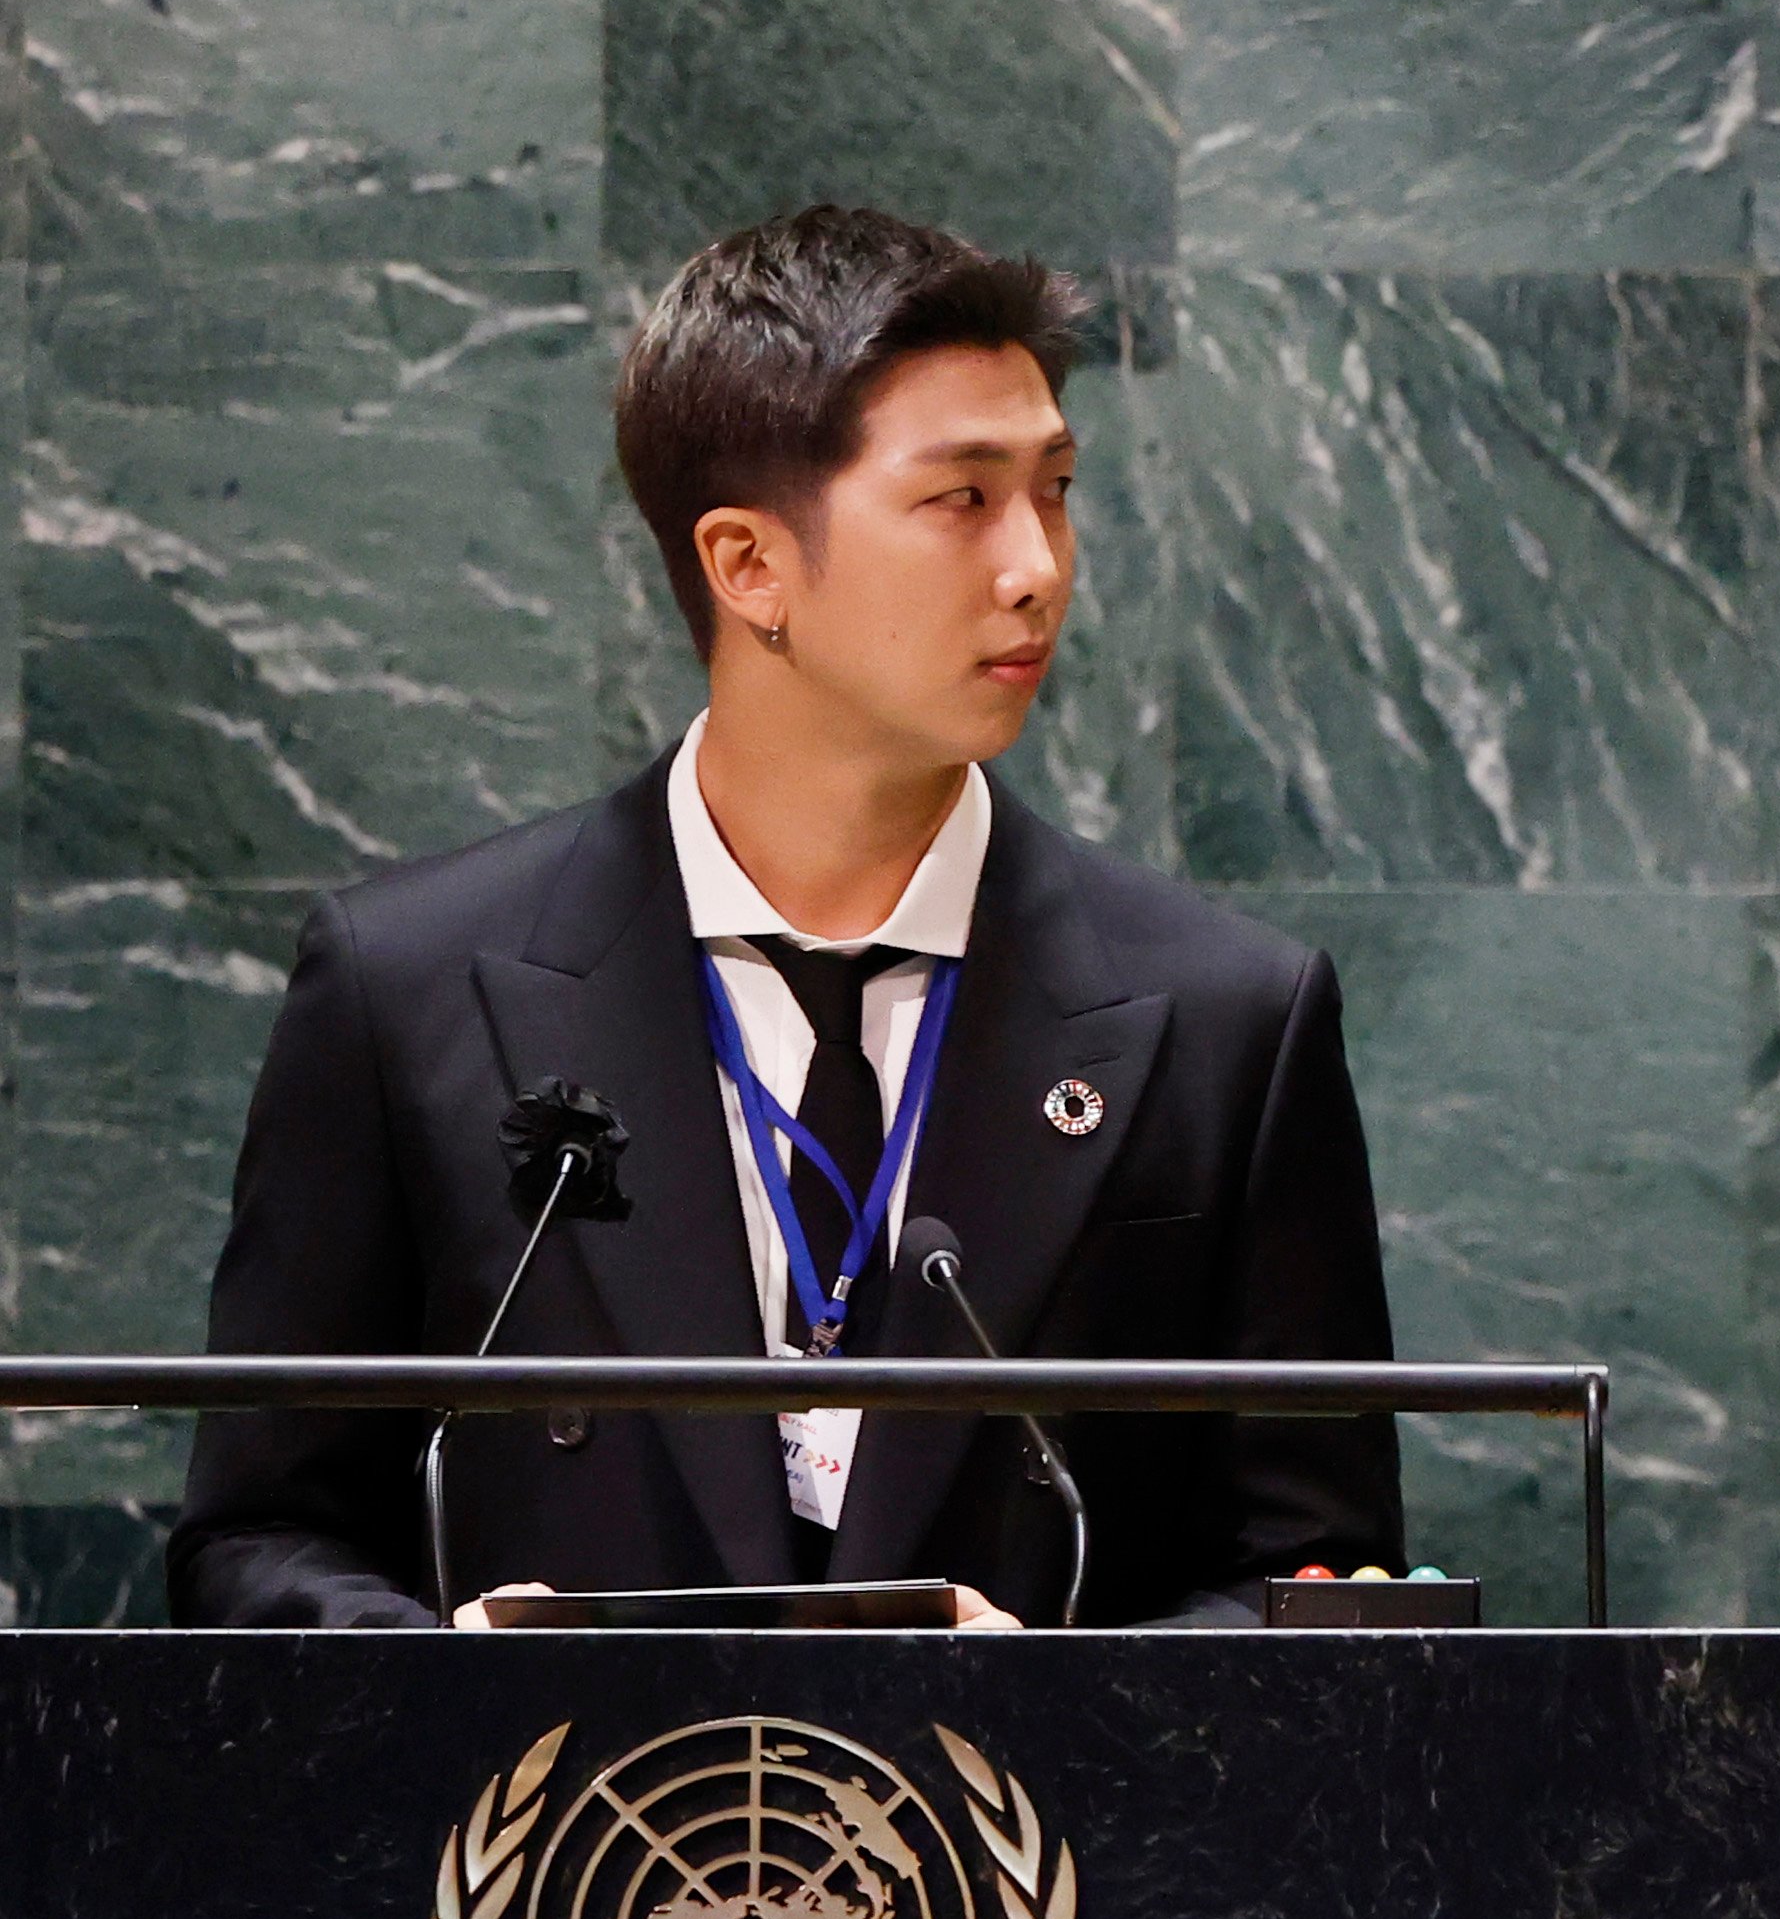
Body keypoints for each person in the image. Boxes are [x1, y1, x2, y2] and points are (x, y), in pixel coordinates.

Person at [170, 205, 1403, 1629]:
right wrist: (453, 1692)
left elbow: (1324, 1593)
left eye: (1055, 486)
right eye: (964, 499)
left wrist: (1081, 1714)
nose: (1040, 568)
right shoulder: (409, 991)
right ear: (749, 565)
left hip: (1031, 1846)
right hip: (558, 1842)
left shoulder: (1228, 1021)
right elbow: (257, 1539)